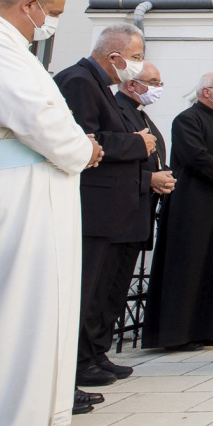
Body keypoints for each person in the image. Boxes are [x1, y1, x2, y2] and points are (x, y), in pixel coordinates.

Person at [0, 0, 103, 426]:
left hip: (41, 187)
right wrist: (84, 148)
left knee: (44, 298)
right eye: (53, 14)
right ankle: (16, 411)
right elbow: (37, 117)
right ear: (28, 6)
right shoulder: (3, 52)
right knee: (24, 300)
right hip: (21, 192)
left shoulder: (18, 51)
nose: (52, 25)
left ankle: (43, 405)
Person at [54, 24, 154, 389]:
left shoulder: (101, 86)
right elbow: (84, 138)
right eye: (137, 57)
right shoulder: (79, 81)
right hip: (95, 206)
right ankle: (78, 364)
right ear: (115, 56)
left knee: (104, 292)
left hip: (114, 210)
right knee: (87, 292)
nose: (138, 66)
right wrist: (135, 144)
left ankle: (96, 354)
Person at [143, 73, 213, 351]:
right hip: (192, 204)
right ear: (206, 91)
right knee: (188, 267)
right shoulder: (187, 120)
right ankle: (179, 334)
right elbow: (196, 157)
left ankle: (208, 328)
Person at [92, 64, 174, 372]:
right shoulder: (118, 109)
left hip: (137, 211)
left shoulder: (140, 113)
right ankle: (88, 356)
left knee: (115, 293)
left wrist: (160, 175)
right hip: (117, 211)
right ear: (131, 84)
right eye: (152, 81)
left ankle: (100, 353)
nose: (158, 86)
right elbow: (107, 159)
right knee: (101, 292)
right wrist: (148, 178)